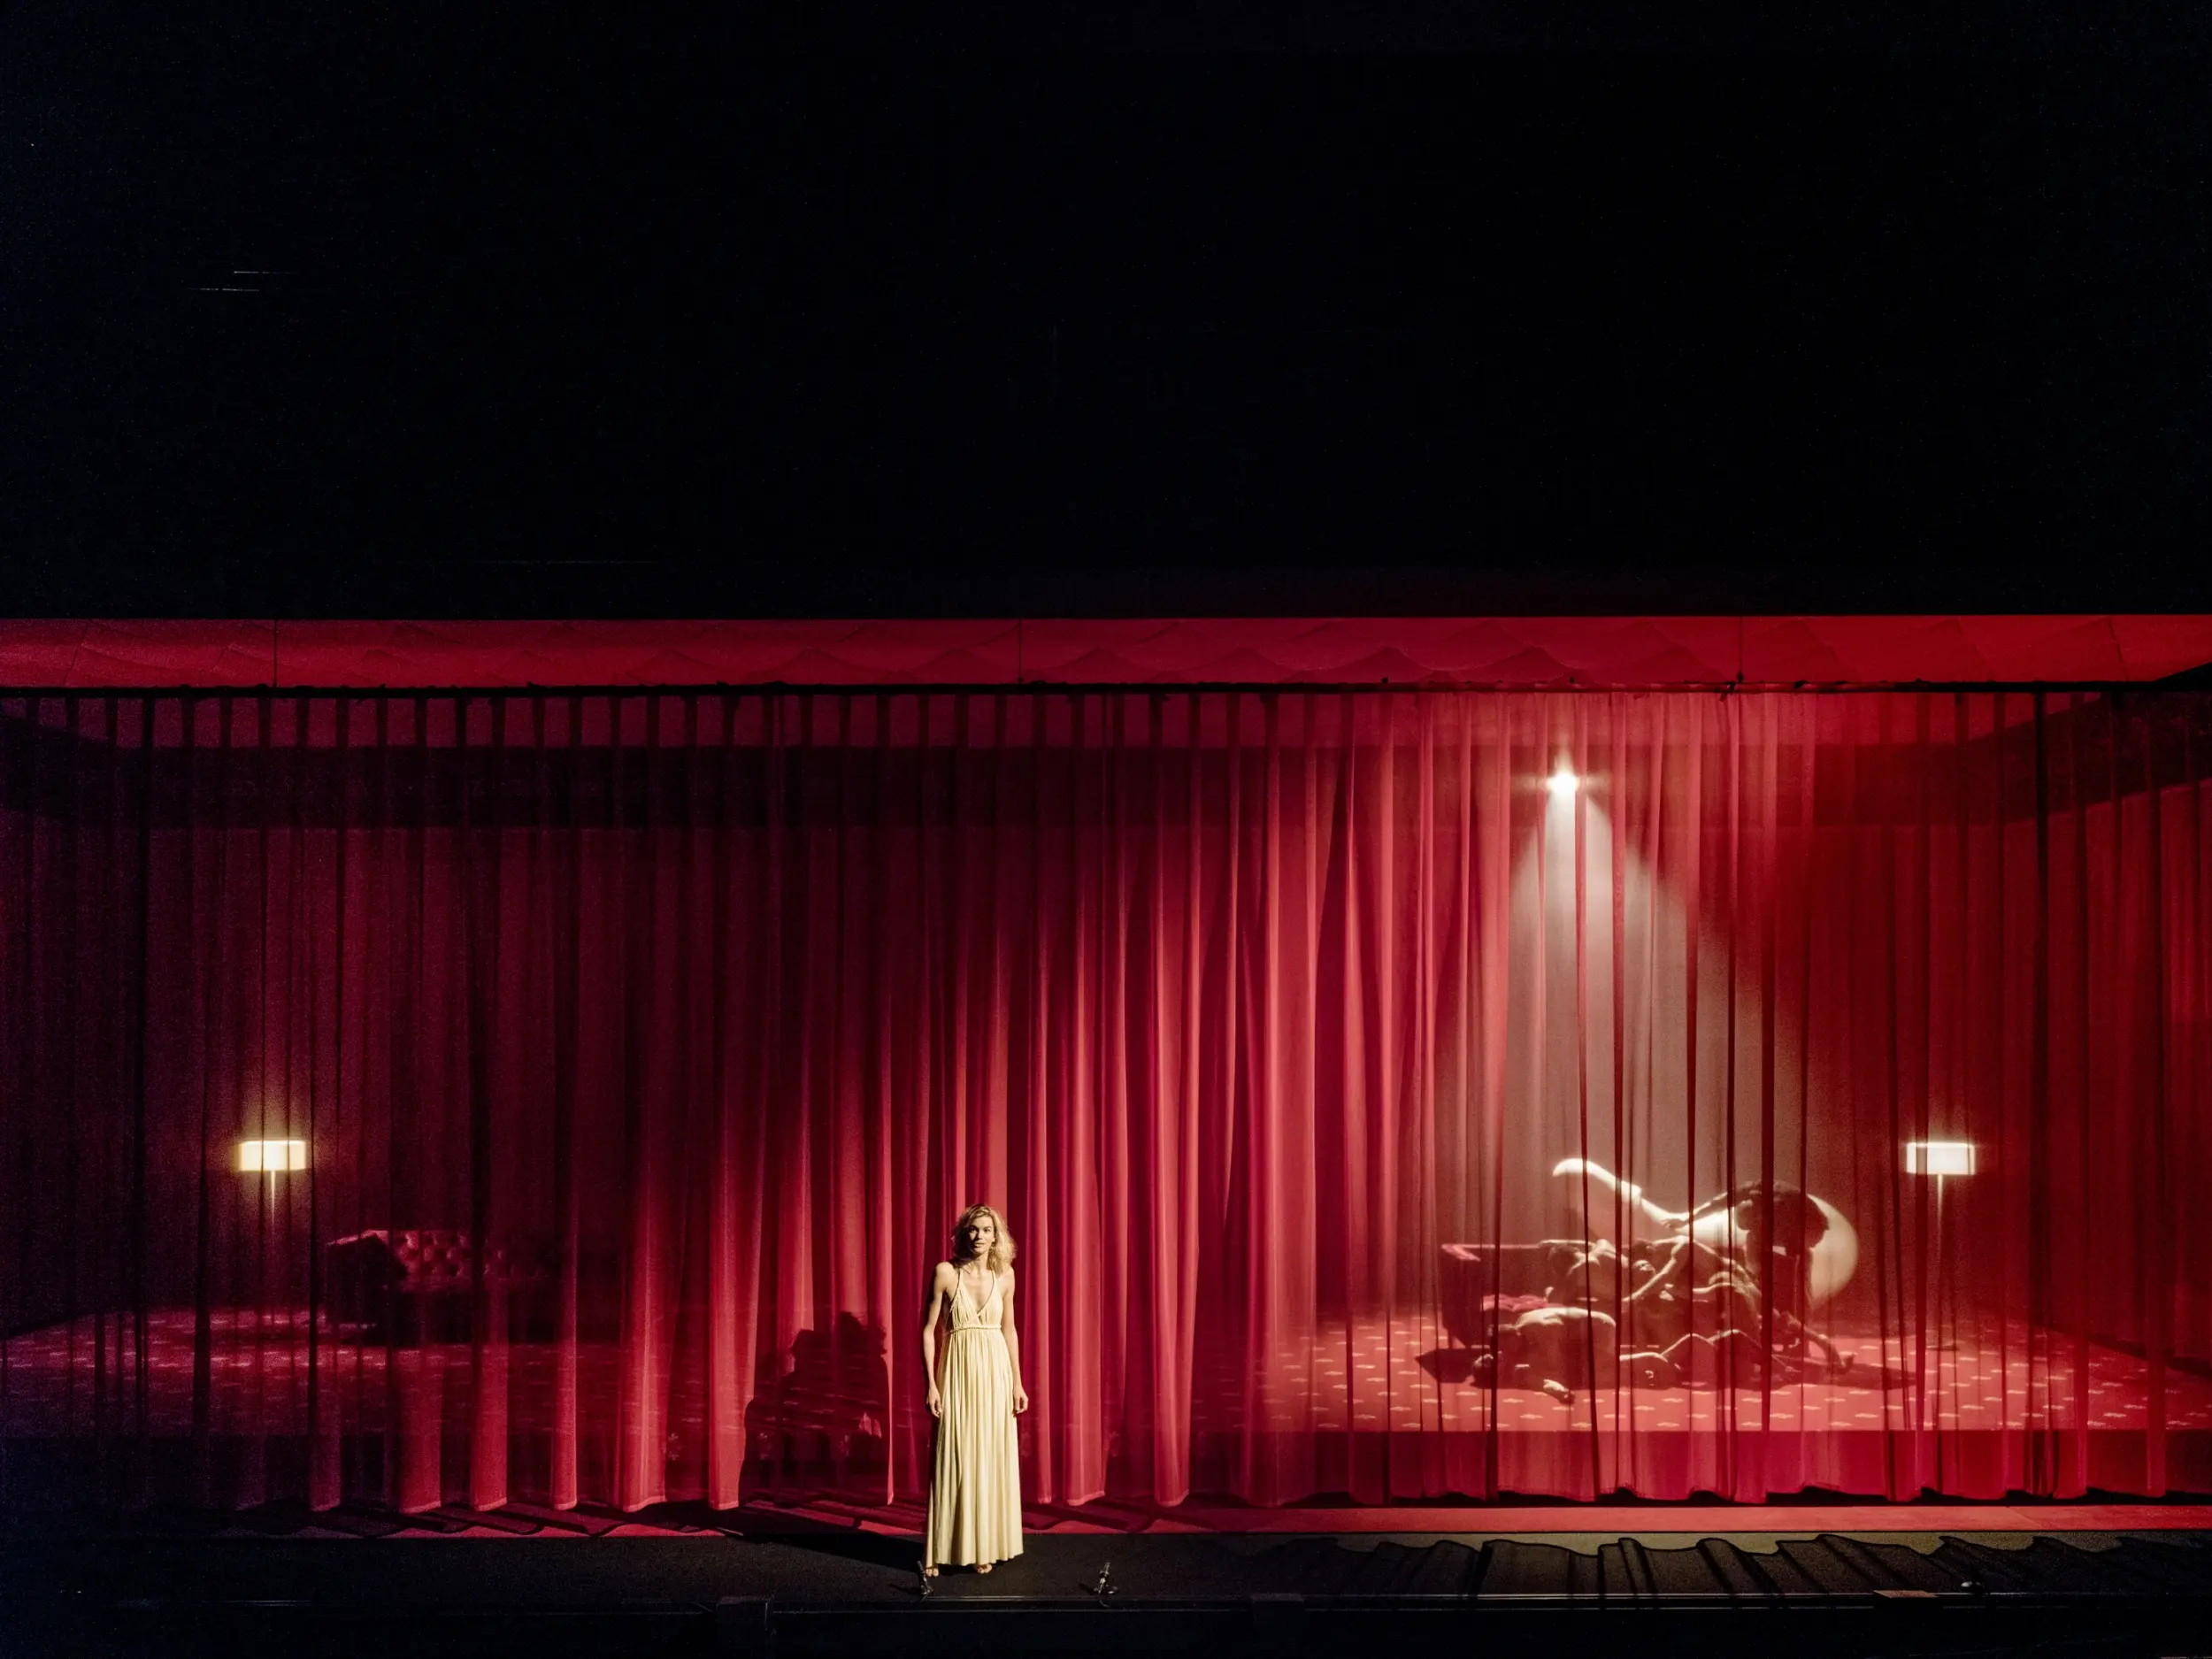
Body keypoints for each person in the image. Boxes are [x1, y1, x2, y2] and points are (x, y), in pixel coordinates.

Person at [920, 1203, 1028, 1576]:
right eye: (972, 1229)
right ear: (962, 1234)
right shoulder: (946, 1273)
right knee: (954, 1454)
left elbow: (1009, 1330)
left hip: (995, 1373)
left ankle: (985, 1546)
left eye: (986, 1230)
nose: (979, 1236)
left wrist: (1017, 1382)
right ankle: (939, 1551)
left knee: (989, 1457)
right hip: (957, 1372)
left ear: (996, 1237)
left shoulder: (1006, 1275)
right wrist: (931, 1384)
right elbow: (928, 1330)